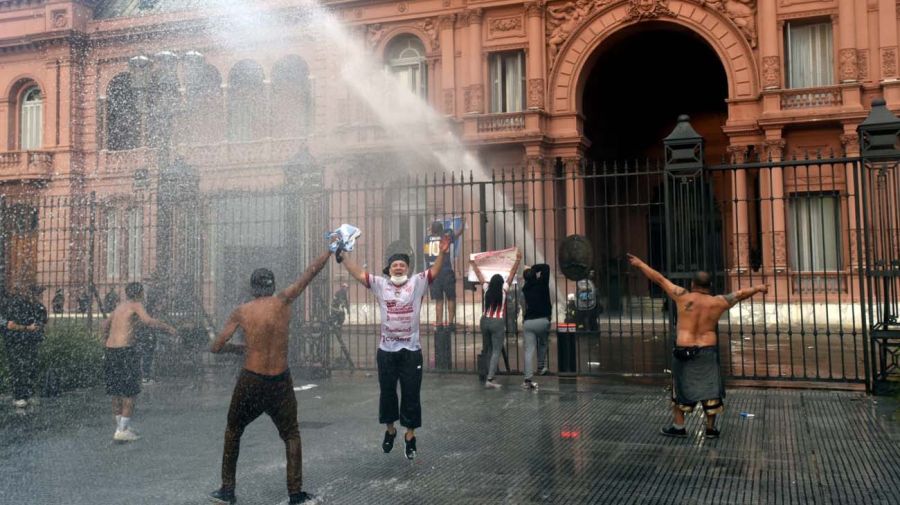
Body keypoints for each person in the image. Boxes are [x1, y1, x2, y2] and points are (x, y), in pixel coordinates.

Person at [208, 249, 332, 505]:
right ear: (273, 285)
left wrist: (241, 349)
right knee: (291, 434)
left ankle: (227, 491)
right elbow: (310, 273)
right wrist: (330, 250)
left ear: (252, 288)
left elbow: (216, 346)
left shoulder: (241, 311)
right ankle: (295, 494)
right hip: (280, 380)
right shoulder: (284, 301)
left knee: (233, 430)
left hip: (251, 379)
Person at [626, 253, 767, 439]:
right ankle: (710, 429)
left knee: (680, 387)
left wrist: (640, 264)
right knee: (711, 388)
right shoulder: (718, 302)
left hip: (685, 350)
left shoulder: (683, 296)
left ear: (693, 284)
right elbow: (740, 294)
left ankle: (679, 426)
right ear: (709, 286)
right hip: (707, 350)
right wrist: (758, 287)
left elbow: (659, 279)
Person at [339, 236, 450, 460]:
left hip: (411, 350)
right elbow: (358, 273)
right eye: (394, 265)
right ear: (388, 269)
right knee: (387, 393)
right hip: (387, 352)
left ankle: (410, 436)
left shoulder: (417, 283)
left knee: (411, 393)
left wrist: (443, 253)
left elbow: (434, 272)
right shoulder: (380, 285)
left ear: (408, 268)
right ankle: (390, 430)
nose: (398, 267)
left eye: (402, 264)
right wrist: (344, 257)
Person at [102, 282, 177, 442]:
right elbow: (148, 321)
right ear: (140, 293)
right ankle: (122, 430)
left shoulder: (120, 307)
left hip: (111, 350)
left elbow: (105, 324)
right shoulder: (136, 305)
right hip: (125, 351)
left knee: (116, 391)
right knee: (130, 391)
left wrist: (105, 341)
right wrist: (167, 327)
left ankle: (121, 427)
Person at [470, 250, 521, 389]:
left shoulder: (487, 289)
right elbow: (510, 276)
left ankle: (487, 374)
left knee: (487, 349)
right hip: (497, 323)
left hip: (484, 321)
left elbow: (480, 276)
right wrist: (517, 260)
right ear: (500, 283)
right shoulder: (503, 291)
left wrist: (473, 264)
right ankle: (490, 379)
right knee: (496, 351)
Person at [0, 285, 47, 409]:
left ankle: (26, 394)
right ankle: (20, 395)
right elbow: (10, 325)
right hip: (15, 341)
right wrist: (28, 329)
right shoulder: (15, 304)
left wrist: (36, 328)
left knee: (29, 366)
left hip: (26, 340)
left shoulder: (35, 306)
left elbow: (41, 321)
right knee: (18, 368)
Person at [424, 219, 464, 329]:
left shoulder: (427, 239)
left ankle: (439, 324)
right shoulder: (445, 237)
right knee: (451, 297)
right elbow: (459, 232)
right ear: (442, 230)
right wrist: (463, 222)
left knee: (439, 300)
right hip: (446, 271)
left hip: (433, 273)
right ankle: (451, 324)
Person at [522, 263, 552, 382]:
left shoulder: (525, 288)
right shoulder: (542, 283)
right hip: (543, 321)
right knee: (543, 343)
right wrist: (533, 268)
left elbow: (528, 278)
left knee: (529, 350)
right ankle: (541, 367)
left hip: (528, 322)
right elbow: (546, 267)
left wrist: (529, 272)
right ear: (535, 275)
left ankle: (528, 377)